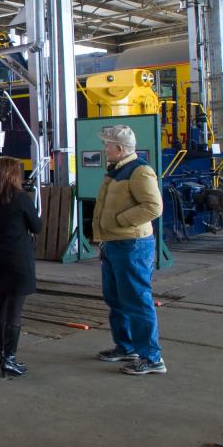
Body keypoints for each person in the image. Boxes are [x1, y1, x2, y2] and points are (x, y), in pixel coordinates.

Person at [92, 125, 167, 376]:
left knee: (137, 300)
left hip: (131, 245)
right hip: (114, 243)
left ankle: (151, 358)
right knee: (116, 299)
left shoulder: (139, 171)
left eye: (107, 145)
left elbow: (154, 207)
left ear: (120, 149)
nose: (104, 149)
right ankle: (125, 347)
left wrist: (122, 221)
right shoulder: (118, 170)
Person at [0, 156, 40, 378]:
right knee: (14, 310)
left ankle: (2, 355)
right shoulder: (21, 198)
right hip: (18, 259)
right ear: (13, 175)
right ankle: (10, 360)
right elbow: (37, 227)